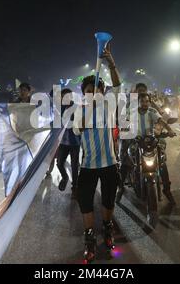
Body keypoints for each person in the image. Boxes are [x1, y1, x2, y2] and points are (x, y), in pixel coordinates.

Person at [73, 45, 121, 262]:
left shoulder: (110, 106)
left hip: (109, 163)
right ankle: (90, 239)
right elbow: (80, 128)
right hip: (88, 166)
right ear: (84, 93)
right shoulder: (78, 111)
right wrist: (89, 107)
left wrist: (111, 63)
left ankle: (108, 228)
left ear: (103, 92)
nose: (93, 93)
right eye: (89, 91)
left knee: (108, 201)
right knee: (85, 202)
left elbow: (118, 85)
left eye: (97, 90)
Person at [56, 88, 81, 199]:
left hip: (75, 142)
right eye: (63, 96)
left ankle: (75, 188)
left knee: (74, 166)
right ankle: (65, 177)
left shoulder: (76, 108)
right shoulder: (59, 109)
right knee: (60, 163)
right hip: (62, 142)